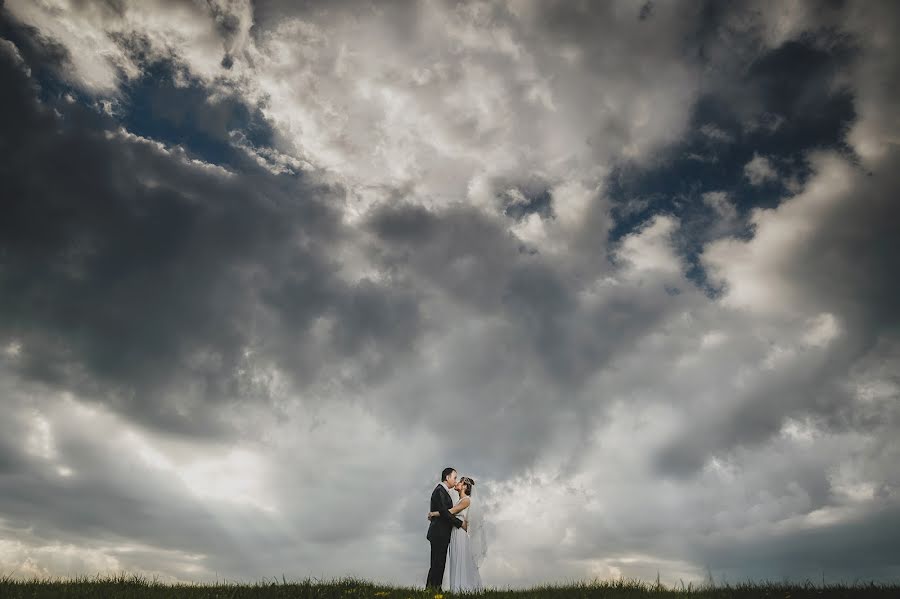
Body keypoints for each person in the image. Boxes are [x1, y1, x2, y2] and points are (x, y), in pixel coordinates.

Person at [430, 476, 484, 593]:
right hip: (455, 532)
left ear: (465, 486)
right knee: (455, 558)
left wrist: (434, 513)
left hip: (460, 533)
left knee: (461, 558)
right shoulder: (460, 500)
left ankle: (465, 588)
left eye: (460, 482)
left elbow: (450, 512)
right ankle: (457, 588)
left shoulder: (466, 500)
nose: (457, 483)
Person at [425, 467, 464, 588]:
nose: (455, 480)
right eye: (454, 477)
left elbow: (443, 512)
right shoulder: (440, 490)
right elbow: (445, 512)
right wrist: (460, 523)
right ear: (447, 477)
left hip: (441, 533)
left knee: (439, 562)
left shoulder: (443, 490)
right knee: (437, 562)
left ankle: (434, 588)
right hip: (439, 533)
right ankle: (433, 588)